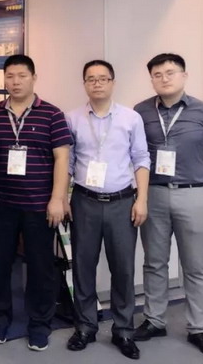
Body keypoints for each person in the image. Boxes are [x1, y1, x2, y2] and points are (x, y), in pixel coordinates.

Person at [133, 53, 203, 359]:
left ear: (184, 75)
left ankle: (198, 328)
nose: (164, 78)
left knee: (195, 265)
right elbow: (135, 153)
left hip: (192, 194)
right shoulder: (140, 112)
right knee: (154, 261)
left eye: (170, 72)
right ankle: (154, 320)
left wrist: (191, 176)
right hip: (153, 194)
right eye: (157, 74)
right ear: (151, 79)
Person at [0, 54, 72, 352]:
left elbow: (62, 159)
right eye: (10, 76)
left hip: (39, 205)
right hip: (1, 203)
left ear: (34, 78)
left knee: (40, 266)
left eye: (22, 76)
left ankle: (40, 323)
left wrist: (58, 198)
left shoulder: (52, 114)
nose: (15, 82)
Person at [65, 60, 150, 360]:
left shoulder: (131, 118)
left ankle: (123, 330)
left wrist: (142, 199)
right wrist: (63, 198)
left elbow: (141, 158)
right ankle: (85, 326)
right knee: (83, 267)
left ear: (113, 82)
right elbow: (67, 161)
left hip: (122, 202)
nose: (97, 83)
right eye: (91, 79)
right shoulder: (72, 118)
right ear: (84, 84)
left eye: (103, 78)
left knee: (123, 269)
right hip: (84, 201)